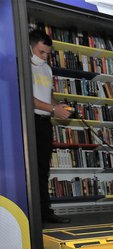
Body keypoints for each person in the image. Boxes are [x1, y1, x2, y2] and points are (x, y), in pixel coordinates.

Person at [30, 28, 71, 224]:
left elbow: (48, 94)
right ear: (30, 47)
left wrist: (57, 106)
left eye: (48, 53)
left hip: (45, 123)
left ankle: (44, 212)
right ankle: (31, 214)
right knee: (29, 170)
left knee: (43, 170)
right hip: (29, 122)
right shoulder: (22, 65)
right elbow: (27, 99)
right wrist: (54, 110)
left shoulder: (46, 68)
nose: (45, 57)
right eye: (41, 52)